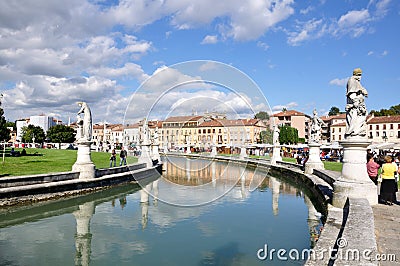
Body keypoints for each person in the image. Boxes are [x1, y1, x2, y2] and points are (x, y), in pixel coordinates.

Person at [345, 68, 368, 139]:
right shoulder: (352, 80)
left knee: (361, 119)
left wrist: (363, 91)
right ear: (356, 75)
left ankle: (357, 132)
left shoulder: (356, 82)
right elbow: (351, 93)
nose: (360, 77)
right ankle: (353, 132)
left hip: (359, 106)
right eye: (359, 75)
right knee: (354, 120)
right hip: (354, 107)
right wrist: (355, 101)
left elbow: (359, 89)